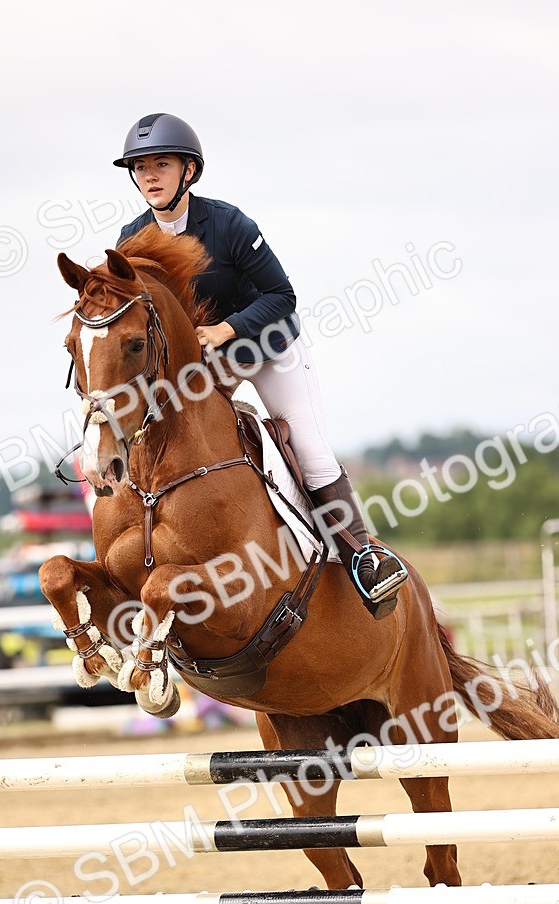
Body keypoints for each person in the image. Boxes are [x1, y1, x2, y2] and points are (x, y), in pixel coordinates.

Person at [113, 112, 408, 618]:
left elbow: (282, 296)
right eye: (140, 169)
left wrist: (226, 329)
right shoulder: (133, 238)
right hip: (201, 364)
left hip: (267, 345)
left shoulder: (230, 224)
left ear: (190, 171)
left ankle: (362, 555)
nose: (150, 177)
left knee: (310, 449)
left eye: (161, 164)